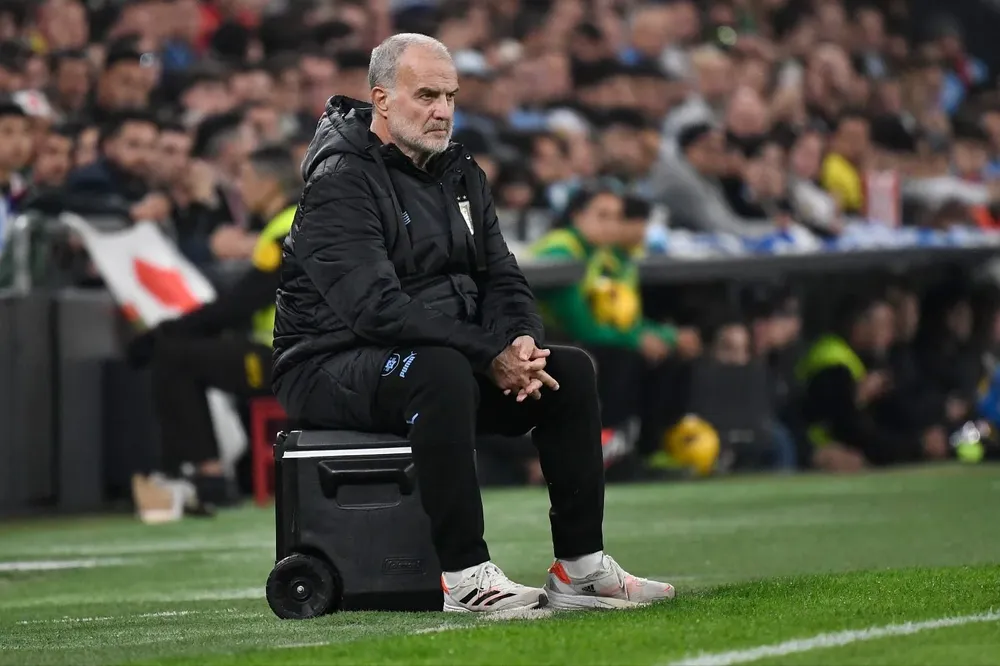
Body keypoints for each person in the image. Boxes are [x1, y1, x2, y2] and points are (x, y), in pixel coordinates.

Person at [271, 33, 675, 613]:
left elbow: (502, 277)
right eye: (426, 95)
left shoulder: (460, 170)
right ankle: (465, 577)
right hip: (327, 361)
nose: (441, 111)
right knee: (440, 372)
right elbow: (373, 308)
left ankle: (581, 569)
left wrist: (520, 343)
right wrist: (487, 354)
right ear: (381, 100)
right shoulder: (340, 179)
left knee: (570, 373)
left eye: (450, 96)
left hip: (432, 354)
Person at [125, 145, 301, 521]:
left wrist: (165, 331)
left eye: (246, 179)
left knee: (175, 354)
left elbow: (246, 300)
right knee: (184, 350)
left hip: (286, 360)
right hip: (291, 353)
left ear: (269, 184)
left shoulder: (285, 229)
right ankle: (196, 474)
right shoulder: (292, 222)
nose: (239, 187)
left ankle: (206, 477)